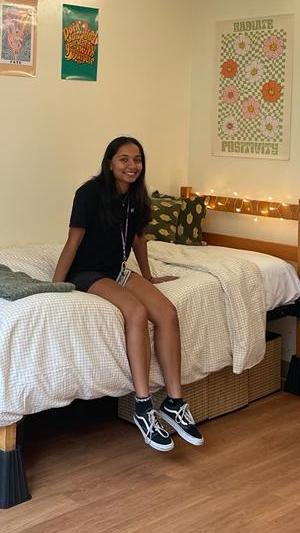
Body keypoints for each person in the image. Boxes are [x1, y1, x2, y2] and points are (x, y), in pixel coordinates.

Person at [52, 136, 203, 452]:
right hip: (87, 272)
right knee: (135, 312)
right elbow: (73, 242)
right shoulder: (89, 194)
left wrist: (147, 275)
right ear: (110, 162)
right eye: (124, 159)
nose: (132, 165)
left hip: (117, 270)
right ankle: (144, 406)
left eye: (137, 160)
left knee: (167, 312)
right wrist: (55, 286)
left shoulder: (136, 198)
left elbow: (138, 239)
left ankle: (174, 402)